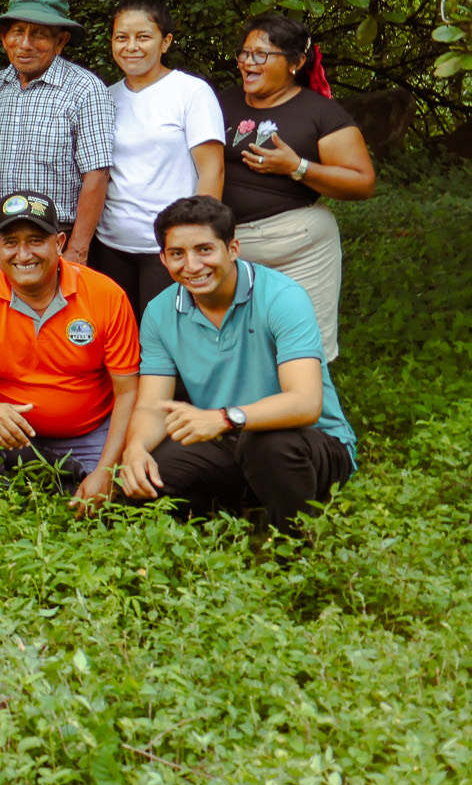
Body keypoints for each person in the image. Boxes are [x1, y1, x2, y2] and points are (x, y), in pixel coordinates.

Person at [118, 196, 357, 537]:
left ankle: (294, 550)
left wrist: (222, 418)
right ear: (163, 258)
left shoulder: (282, 297)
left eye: (204, 249)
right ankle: (235, 512)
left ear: (232, 248)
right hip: (227, 436)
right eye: (177, 254)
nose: (192, 265)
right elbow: (152, 406)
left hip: (310, 442)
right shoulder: (159, 312)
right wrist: (136, 448)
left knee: (266, 445)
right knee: (148, 478)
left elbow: (306, 403)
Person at [0, 190, 140, 508]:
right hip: (4, 429)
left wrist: (106, 470)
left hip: (86, 435)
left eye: (35, 240)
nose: (23, 254)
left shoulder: (105, 295)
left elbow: (127, 391)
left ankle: (74, 483)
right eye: (11, 242)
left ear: (59, 243)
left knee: (130, 483)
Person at [217, 14, 375, 362]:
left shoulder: (320, 112)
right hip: (228, 246)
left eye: (261, 55)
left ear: (296, 62)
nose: (247, 63)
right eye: (244, 54)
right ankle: (247, 415)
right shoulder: (221, 102)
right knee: (235, 350)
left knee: (302, 350)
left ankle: (307, 413)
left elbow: (362, 183)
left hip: (299, 246)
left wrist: (297, 167)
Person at [0, 0, 114, 272]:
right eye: (17, 32)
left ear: (61, 41)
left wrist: (77, 249)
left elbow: (97, 174)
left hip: (56, 233)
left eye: (39, 34)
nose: (25, 44)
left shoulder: (85, 89)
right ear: (4, 37)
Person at [92, 0, 225, 310]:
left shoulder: (191, 92)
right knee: (118, 345)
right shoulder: (104, 97)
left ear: (165, 42)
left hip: (171, 246)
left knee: (167, 342)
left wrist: (198, 240)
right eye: (121, 37)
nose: (131, 47)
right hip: (111, 243)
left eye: (143, 37)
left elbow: (212, 170)